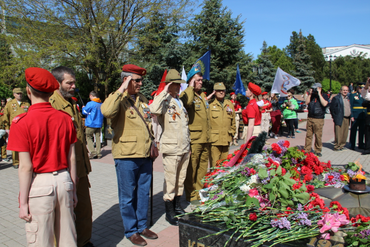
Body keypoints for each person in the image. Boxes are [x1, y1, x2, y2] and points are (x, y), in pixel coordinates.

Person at [7, 67, 78, 246]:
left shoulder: (21, 122)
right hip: (64, 180)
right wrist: (74, 190)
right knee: (68, 239)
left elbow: (25, 167)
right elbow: (72, 159)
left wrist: (23, 203)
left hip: (40, 184)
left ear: (29, 91)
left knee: (41, 240)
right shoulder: (65, 118)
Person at [101, 64, 158, 246]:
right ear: (126, 80)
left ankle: (142, 226)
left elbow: (148, 124)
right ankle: (131, 231)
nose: (141, 83)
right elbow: (107, 111)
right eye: (137, 80)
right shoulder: (117, 98)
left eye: (141, 80)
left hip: (144, 155)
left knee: (143, 192)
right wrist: (121, 89)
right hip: (126, 155)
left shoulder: (142, 99)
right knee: (127, 196)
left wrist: (153, 144)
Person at [50, 66, 93, 247]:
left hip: (80, 167)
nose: (74, 85)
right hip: (62, 168)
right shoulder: (52, 103)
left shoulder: (71, 102)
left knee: (83, 209)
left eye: (74, 82)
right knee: (62, 214)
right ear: (57, 83)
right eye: (69, 82)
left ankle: (83, 242)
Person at [149, 69, 190, 226]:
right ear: (170, 85)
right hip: (171, 148)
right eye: (176, 85)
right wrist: (164, 91)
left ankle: (177, 206)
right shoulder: (164, 101)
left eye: (179, 84)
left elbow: (185, 126)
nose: (179, 87)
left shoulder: (180, 102)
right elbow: (153, 110)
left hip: (184, 147)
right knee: (171, 180)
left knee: (180, 179)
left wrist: (189, 145)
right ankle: (169, 211)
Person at [180, 66, 210, 204]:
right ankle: (191, 196)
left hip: (205, 138)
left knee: (202, 169)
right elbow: (185, 102)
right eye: (198, 80)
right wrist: (190, 86)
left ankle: (200, 193)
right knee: (192, 169)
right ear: (192, 81)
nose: (201, 82)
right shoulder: (187, 94)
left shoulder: (202, 96)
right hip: (194, 139)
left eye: (201, 80)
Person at [208, 82, 236, 167]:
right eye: (218, 90)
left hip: (226, 139)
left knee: (225, 164)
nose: (221, 92)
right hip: (214, 140)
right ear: (214, 92)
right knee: (215, 165)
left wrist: (232, 133)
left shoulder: (229, 104)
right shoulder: (210, 105)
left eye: (223, 90)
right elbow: (206, 122)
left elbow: (233, 121)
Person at [3, 88, 30, 168]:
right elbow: (5, 116)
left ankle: (25, 160)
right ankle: (15, 162)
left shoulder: (26, 103)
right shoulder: (10, 104)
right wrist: (7, 128)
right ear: (14, 94)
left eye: (21, 93)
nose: (20, 95)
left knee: (26, 145)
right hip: (14, 128)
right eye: (18, 93)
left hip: (25, 128)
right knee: (15, 146)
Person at [304, 83, 329, 157]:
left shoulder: (324, 95)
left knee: (318, 135)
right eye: (313, 88)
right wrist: (310, 94)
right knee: (308, 135)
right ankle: (307, 149)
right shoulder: (311, 96)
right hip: (310, 117)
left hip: (319, 118)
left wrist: (319, 94)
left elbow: (325, 104)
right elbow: (306, 102)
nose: (314, 90)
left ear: (320, 88)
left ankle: (318, 150)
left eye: (315, 88)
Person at [82, 91, 104, 159]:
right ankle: (99, 153)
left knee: (88, 137)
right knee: (97, 138)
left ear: (91, 95)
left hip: (91, 123)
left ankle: (93, 152)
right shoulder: (101, 104)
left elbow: (85, 112)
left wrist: (83, 107)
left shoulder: (90, 103)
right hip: (99, 123)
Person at [330, 86, 350, 151]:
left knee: (345, 133)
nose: (345, 91)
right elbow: (332, 108)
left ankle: (342, 145)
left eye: (346, 90)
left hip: (347, 118)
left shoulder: (348, 98)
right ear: (340, 91)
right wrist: (334, 117)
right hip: (339, 118)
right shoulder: (336, 98)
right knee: (339, 133)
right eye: (344, 90)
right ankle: (337, 146)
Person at [349, 85, 366, 150]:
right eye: (360, 88)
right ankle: (352, 145)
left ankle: (361, 144)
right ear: (357, 88)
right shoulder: (353, 95)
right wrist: (352, 115)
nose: (361, 89)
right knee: (353, 131)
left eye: (363, 88)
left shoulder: (365, 95)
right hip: (355, 115)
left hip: (363, 115)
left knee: (362, 131)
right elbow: (350, 105)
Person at [361, 77, 370, 155]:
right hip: (369, 117)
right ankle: (367, 148)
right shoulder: (368, 94)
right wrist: (367, 83)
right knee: (368, 132)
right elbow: (364, 95)